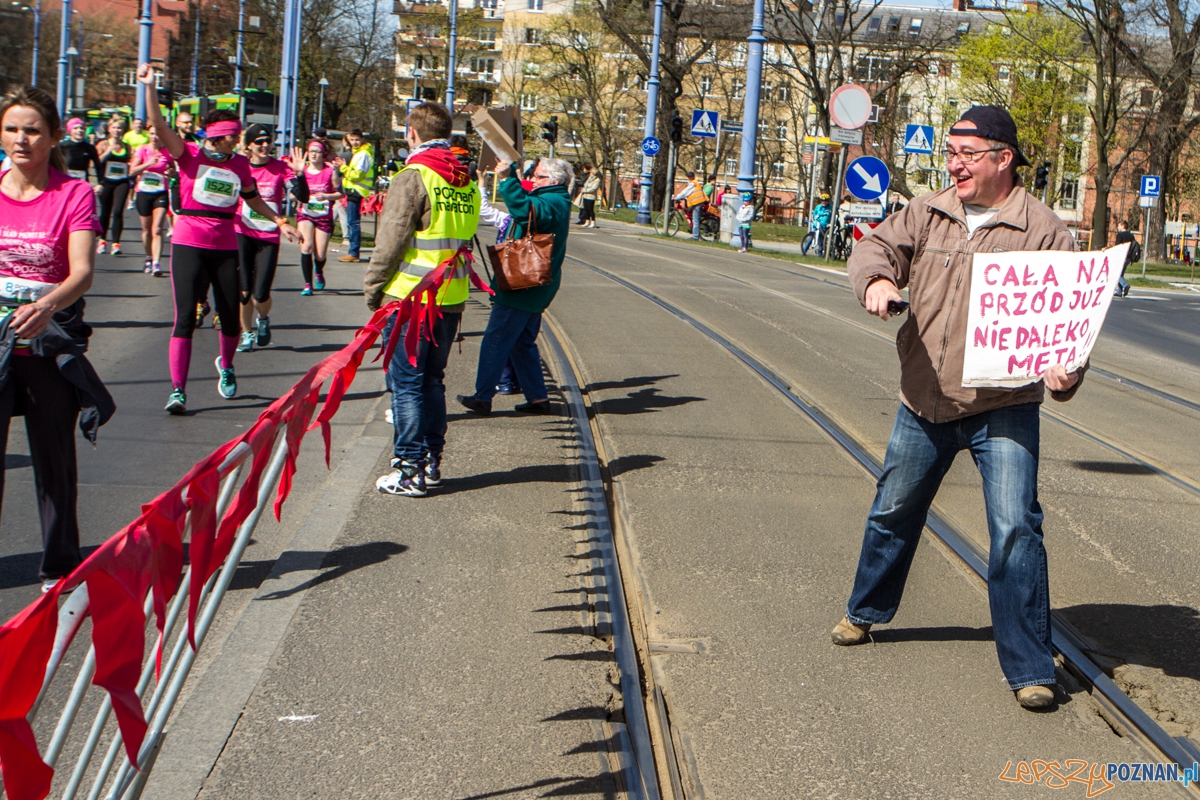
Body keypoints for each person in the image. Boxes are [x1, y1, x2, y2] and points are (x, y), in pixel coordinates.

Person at [830, 105, 1084, 711]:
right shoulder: (929, 209)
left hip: (1005, 404)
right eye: (951, 152)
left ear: (1004, 158)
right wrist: (876, 282)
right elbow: (874, 249)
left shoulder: (1047, 232)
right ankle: (866, 610)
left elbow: (1069, 328)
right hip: (924, 398)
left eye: (968, 153)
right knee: (893, 509)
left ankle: (1029, 667)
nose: (955, 163)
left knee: (1016, 528)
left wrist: (1066, 371)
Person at [136, 63, 298, 414]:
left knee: (228, 316)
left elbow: (253, 199)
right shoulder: (188, 155)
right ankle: (177, 390)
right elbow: (160, 125)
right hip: (189, 242)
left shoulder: (240, 165)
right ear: (217, 135)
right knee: (184, 318)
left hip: (225, 244)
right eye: (233, 136)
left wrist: (280, 221)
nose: (238, 141)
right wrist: (149, 87)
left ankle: (226, 365)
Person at [0, 85, 110, 592]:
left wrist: (45, 307)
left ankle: (60, 565)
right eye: (11, 129)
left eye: (32, 130)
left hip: (47, 344)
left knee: (54, 463)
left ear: (53, 136)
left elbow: (83, 272)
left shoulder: (74, 193)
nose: (21, 140)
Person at [364, 101, 481, 497]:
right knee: (432, 381)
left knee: (407, 385)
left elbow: (390, 241)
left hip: (411, 298)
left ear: (411, 134)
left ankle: (408, 469)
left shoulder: (414, 176)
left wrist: (373, 290)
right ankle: (431, 462)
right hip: (451, 297)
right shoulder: (464, 179)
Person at [457, 156, 572, 418]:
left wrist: (508, 179)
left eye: (538, 176)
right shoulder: (557, 198)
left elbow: (523, 209)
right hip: (533, 285)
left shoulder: (553, 200)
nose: (532, 179)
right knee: (522, 343)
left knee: (496, 339)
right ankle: (537, 397)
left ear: (553, 181)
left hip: (523, 283)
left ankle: (483, 396)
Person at [235, 126, 308, 352]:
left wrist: (300, 175)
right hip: (242, 232)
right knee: (244, 291)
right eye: (259, 142)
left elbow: (301, 196)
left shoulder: (279, 169)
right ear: (249, 146)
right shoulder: (241, 168)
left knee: (260, 294)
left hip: (269, 235)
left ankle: (263, 319)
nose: (265, 145)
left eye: (268, 141)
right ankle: (246, 333)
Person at [295, 139, 343, 295]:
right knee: (306, 246)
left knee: (320, 254)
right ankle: (308, 284)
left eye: (317, 152)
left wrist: (327, 196)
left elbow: (340, 193)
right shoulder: (303, 171)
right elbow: (295, 192)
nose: (314, 154)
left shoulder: (330, 172)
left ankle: (319, 271)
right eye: (311, 151)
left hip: (323, 216)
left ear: (323, 155)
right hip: (306, 214)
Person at [129, 127, 174, 276]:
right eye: (152, 134)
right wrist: (148, 163)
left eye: (158, 134)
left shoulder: (167, 152)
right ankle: (148, 257)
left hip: (160, 192)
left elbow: (173, 170)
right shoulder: (143, 150)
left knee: (157, 229)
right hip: (143, 192)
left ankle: (156, 263)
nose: (155, 137)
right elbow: (132, 170)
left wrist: (171, 173)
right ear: (149, 135)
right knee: (146, 230)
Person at [337, 127, 374, 263]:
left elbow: (357, 175)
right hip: (354, 190)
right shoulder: (358, 153)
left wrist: (343, 168)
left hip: (356, 190)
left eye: (357, 139)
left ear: (362, 139)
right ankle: (353, 251)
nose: (354, 142)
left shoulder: (363, 154)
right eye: (351, 140)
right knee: (352, 221)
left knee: (353, 222)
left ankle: (353, 252)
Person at [95, 118, 131, 255]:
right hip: (106, 181)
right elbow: (96, 162)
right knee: (106, 211)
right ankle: (102, 240)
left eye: (119, 128)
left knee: (118, 211)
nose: (117, 130)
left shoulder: (126, 146)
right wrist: (107, 152)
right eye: (114, 128)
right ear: (109, 129)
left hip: (121, 181)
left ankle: (116, 243)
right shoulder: (103, 144)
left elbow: (130, 162)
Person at [60, 117, 100, 183]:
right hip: (65, 182)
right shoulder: (63, 146)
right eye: (75, 128)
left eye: (82, 128)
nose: (79, 130)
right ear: (70, 131)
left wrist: (100, 184)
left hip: (82, 183)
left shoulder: (89, 147)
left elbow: (98, 167)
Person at [673, 170, 707, 239]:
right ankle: (694, 231)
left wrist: (677, 197)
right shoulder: (694, 182)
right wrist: (681, 197)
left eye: (690, 176)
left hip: (697, 202)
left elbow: (685, 191)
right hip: (697, 202)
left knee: (695, 220)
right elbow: (688, 193)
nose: (689, 178)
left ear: (692, 177)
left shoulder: (693, 183)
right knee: (689, 213)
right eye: (688, 176)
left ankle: (695, 237)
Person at [1114, 220, 1137, 298]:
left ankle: (1125, 285)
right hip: (1128, 257)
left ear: (1123, 226)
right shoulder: (1131, 235)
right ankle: (1119, 291)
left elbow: (1117, 246)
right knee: (1121, 273)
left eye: (1119, 225)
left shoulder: (1119, 235)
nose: (1118, 227)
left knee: (1117, 273)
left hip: (1121, 256)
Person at [576, 164, 601, 228]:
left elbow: (593, 188)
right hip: (585, 196)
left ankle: (593, 221)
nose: (590, 174)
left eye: (590, 173)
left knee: (590, 210)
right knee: (585, 209)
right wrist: (583, 189)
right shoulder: (589, 178)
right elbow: (585, 184)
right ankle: (587, 221)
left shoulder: (597, 180)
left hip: (591, 197)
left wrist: (585, 190)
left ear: (593, 173)